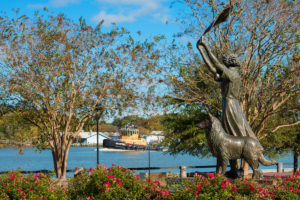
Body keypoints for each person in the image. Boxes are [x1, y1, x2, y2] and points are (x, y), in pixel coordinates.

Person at [197, 36, 261, 170]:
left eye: (224, 63)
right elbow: (213, 69)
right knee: (228, 135)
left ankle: (237, 168)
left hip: (231, 106)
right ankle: (233, 169)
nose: (222, 65)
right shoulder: (229, 74)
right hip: (228, 105)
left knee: (233, 134)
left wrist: (206, 45)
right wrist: (201, 50)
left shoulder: (232, 75)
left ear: (228, 63)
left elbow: (216, 64)